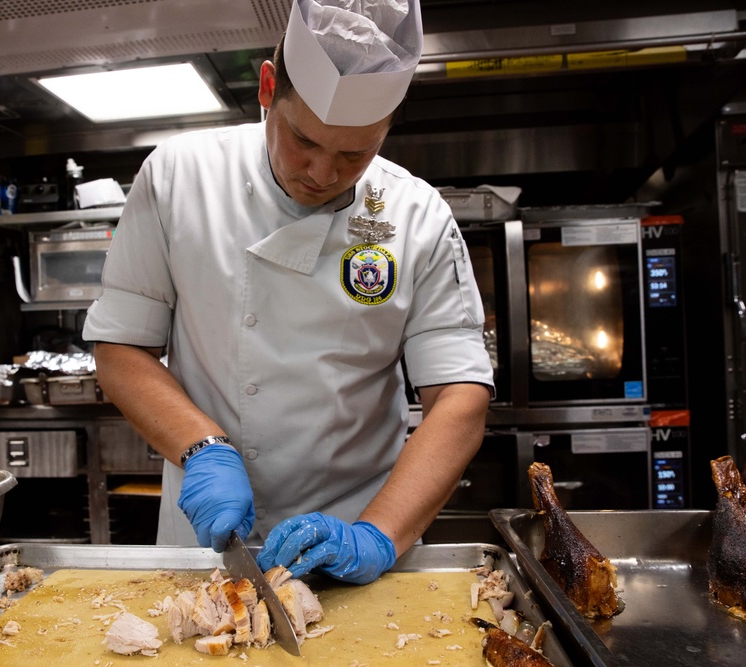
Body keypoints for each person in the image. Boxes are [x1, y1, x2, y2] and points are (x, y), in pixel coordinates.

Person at [82, 0, 493, 585]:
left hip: (357, 536)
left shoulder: (417, 215)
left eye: (355, 153)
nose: (323, 173)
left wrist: (377, 535)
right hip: (207, 542)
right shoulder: (178, 178)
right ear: (268, 88)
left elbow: (460, 396)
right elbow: (120, 349)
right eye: (304, 140)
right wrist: (202, 448)